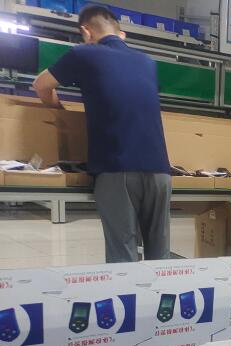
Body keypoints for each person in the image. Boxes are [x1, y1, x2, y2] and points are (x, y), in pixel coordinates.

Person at [32, 4, 172, 263]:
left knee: (123, 256)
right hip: (161, 172)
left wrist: (58, 109)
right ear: (121, 34)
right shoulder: (148, 62)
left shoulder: (83, 53)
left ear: (86, 32)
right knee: (160, 258)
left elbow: (40, 85)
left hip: (117, 169)